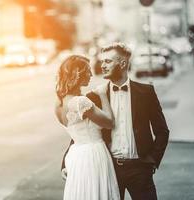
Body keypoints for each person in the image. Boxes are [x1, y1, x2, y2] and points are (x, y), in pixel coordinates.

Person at [61, 43, 170, 200]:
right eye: (102, 61)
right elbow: (81, 132)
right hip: (108, 168)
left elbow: (162, 131)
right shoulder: (94, 97)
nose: (102, 65)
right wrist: (65, 163)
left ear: (123, 63)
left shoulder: (146, 92)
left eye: (108, 61)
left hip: (140, 169)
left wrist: (151, 161)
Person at [55, 55, 120, 200]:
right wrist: (102, 95)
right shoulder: (81, 102)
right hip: (93, 153)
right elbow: (110, 122)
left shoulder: (58, 104)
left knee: (83, 193)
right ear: (77, 74)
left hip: (76, 155)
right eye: (87, 71)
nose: (91, 74)